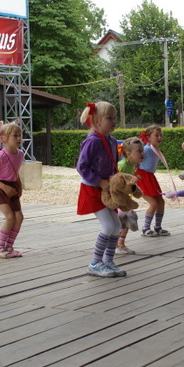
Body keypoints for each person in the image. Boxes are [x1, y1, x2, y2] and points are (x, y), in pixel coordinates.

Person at [76, 102, 126, 277]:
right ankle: (95, 262)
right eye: (109, 118)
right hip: (93, 189)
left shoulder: (111, 140)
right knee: (108, 225)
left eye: (115, 118)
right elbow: (81, 167)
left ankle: (108, 260)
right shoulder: (93, 141)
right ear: (96, 121)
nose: (114, 121)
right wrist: (99, 181)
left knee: (117, 224)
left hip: (106, 189)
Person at [0, 122, 25, 258]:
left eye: (20, 135)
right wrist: (4, 187)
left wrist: (19, 186)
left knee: (19, 217)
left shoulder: (20, 154)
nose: (18, 138)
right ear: (4, 138)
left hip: (12, 186)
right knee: (10, 217)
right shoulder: (0, 156)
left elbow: (15, 172)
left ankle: (9, 247)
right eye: (15, 136)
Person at [136, 124, 170, 237]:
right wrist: (134, 173)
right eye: (156, 135)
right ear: (149, 138)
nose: (159, 137)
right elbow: (133, 160)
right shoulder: (146, 149)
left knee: (161, 202)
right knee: (153, 203)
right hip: (143, 178)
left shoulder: (155, 150)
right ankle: (145, 228)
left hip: (150, 177)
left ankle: (158, 227)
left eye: (160, 135)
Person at [116, 136, 144, 254]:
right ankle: (115, 245)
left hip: (125, 199)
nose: (142, 153)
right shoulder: (122, 165)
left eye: (142, 150)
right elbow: (116, 181)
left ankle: (120, 245)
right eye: (139, 151)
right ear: (129, 154)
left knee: (125, 222)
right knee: (121, 219)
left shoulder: (131, 165)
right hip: (118, 199)